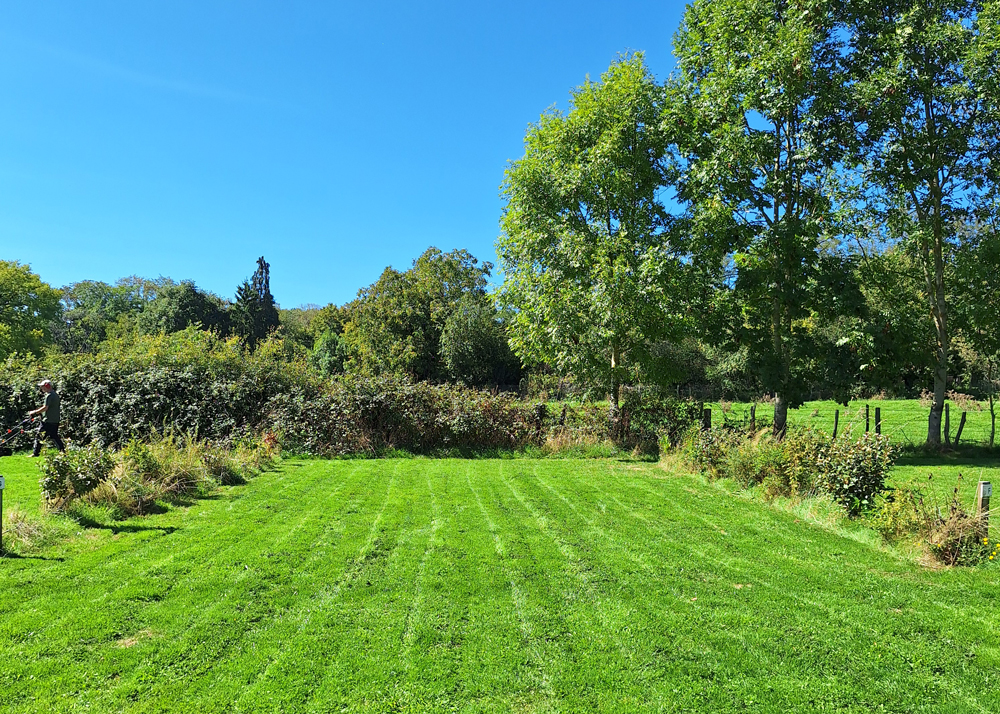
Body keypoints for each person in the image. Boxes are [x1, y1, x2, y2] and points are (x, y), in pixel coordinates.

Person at [29, 379, 65, 456]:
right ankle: (63, 452)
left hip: (47, 420)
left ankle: (35, 453)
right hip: (55, 420)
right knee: (55, 437)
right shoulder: (55, 395)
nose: (41, 389)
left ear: (47, 386)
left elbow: (45, 407)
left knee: (39, 436)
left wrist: (34, 412)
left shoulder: (49, 396)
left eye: (42, 387)